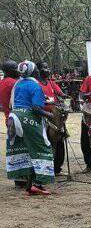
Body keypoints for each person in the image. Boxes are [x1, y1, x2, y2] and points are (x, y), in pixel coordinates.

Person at [7, 61, 55, 195]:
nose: (39, 72)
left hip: (14, 117)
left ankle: (28, 183)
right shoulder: (35, 86)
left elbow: (12, 104)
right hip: (28, 118)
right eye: (36, 71)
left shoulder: (18, 84)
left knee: (26, 150)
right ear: (33, 72)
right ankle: (38, 184)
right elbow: (35, 108)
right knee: (43, 147)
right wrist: (49, 114)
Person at [36, 61, 68, 175]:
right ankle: (47, 168)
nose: (48, 70)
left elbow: (60, 93)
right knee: (47, 142)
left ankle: (57, 167)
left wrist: (64, 96)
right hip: (43, 117)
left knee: (59, 141)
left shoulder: (51, 82)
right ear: (38, 70)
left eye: (48, 67)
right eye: (45, 68)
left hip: (56, 117)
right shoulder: (36, 84)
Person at [0, 60, 27, 188]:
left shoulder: (2, 82)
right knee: (23, 148)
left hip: (9, 119)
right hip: (18, 118)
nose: (18, 70)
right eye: (15, 68)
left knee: (15, 148)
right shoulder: (13, 83)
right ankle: (23, 178)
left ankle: (18, 178)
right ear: (9, 71)